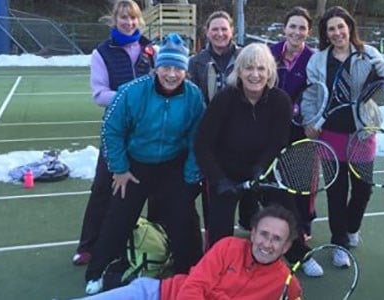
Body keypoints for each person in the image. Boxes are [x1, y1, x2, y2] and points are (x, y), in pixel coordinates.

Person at [84, 33, 205, 295]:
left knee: (184, 217)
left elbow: (197, 137)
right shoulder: (133, 92)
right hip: (135, 165)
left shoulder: (194, 96)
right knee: (118, 217)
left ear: (185, 70)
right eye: (166, 67)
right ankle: (97, 272)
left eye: (178, 68)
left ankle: (192, 270)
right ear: (156, 67)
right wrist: (120, 168)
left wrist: (190, 175)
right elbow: (111, 129)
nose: (171, 74)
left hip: (172, 165)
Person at [194, 44, 313, 272]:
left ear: (269, 72)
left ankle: (299, 256)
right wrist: (219, 179)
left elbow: (277, 141)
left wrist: (261, 168)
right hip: (225, 172)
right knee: (219, 226)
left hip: (262, 171)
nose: (255, 74)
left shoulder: (280, 100)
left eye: (261, 68)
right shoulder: (224, 99)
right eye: (249, 68)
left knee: (286, 212)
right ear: (239, 71)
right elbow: (203, 144)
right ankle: (218, 267)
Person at [301, 6, 384, 268]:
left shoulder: (369, 54)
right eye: (331, 29)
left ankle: (352, 227)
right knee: (336, 192)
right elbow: (311, 95)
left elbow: (381, 96)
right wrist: (309, 121)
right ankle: (340, 243)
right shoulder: (318, 60)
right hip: (330, 134)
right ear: (325, 34)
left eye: (341, 26)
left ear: (350, 27)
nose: (337, 32)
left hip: (362, 133)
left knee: (363, 188)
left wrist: (383, 74)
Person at [74, 0, 156, 266]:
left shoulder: (150, 49)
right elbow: (99, 95)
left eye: (133, 18)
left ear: (139, 20)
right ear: (115, 19)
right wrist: (130, 97)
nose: (128, 22)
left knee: (143, 189)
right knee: (102, 188)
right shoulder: (102, 53)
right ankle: (88, 244)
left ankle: (136, 241)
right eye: (123, 17)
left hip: (146, 131)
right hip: (115, 130)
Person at [75, 205, 303, 300]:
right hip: (157, 294)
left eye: (276, 239)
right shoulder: (228, 247)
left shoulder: (286, 282)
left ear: (286, 247)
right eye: (264, 234)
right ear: (252, 234)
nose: (267, 244)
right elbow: (194, 287)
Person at [187, 10, 258, 234]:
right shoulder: (196, 62)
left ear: (232, 31)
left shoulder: (245, 57)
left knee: (249, 186)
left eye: (224, 29)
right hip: (212, 137)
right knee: (216, 188)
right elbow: (195, 98)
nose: (219, 33)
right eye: (214, 29)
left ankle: (250, 224)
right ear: (206, 32)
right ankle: (214, 233)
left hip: (244, 134)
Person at [268, 6, 324, 277]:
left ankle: (302, 230)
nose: (297, 32)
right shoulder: (270, 53)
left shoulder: (313, 59)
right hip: (269, 132)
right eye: (293, 26)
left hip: (300, 131)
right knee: (271, 185)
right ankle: (270, 232)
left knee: (301, 185)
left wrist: (303, 114)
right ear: (285, 28)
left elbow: (315, 94)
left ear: (308, 32)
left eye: (302, 28)